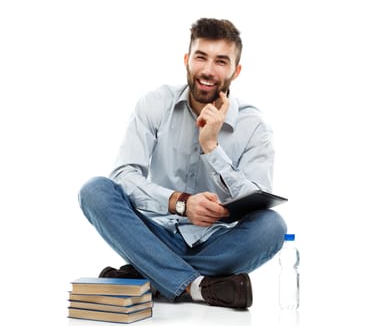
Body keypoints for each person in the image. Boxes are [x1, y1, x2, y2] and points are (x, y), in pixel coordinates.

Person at [79, 18, 287, 309]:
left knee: (272, 227)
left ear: (236, 71)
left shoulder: (255, 127)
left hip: (216, 243)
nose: (207, 70)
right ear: (187, 60)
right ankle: (198, 286)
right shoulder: (154, 104)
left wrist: (212, 148)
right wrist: (180, 202)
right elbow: (124, 175)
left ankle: (150, 273)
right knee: (95, 191)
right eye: (201, 57)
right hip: (155, 233)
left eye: (221, 61)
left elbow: (257, 200)